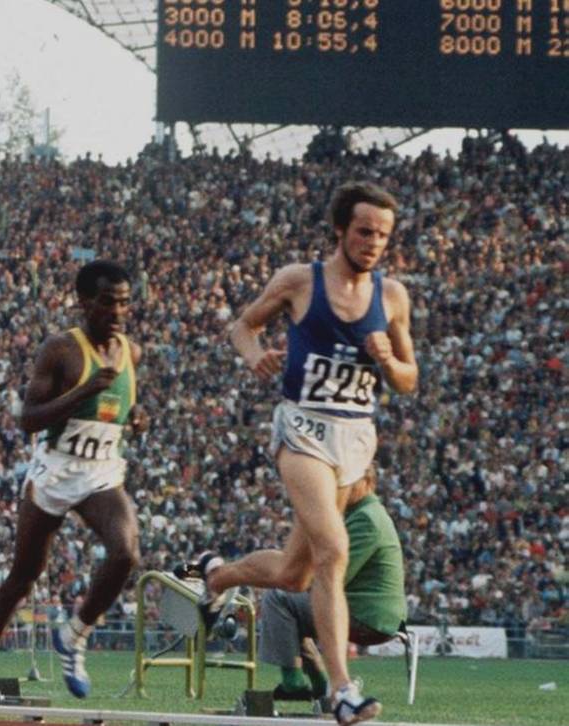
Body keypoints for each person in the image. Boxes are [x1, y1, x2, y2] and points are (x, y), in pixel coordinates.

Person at [199, 181, 417, 725]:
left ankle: (218, 577)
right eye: (364, 231)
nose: (373, 242)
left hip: (355, 439)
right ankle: (343, 689)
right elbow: (243, 326)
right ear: (341, 229)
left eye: (383, 235)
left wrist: (389, 363)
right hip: (302, 430)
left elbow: (410, 379)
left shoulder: (392, 297)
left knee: (296, 574)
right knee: (334, 549)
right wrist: (254, 357)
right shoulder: (300, 281)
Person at [0, 260, 142, 722]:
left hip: (100, 471)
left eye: (124, 301)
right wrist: (80, 394)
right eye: (108, 301)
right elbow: (28, 419)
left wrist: (136, 421)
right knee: (23, 577)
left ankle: (74, 635)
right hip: (55, 470)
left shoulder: (130, 352)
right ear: (85, 302)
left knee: (125, 554)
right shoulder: (61, 350)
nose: (118, 310)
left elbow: (117, 410)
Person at [195, 471, 406, 700]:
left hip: (368, 615)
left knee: (278, 598)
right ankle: (320, 684)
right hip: (369, 611)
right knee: (292, 597)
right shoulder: (361, 513)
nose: (339, 488)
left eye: (346, 483)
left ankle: (292, 682)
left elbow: (330, 578)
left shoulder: (366, 519)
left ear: (367, 482)